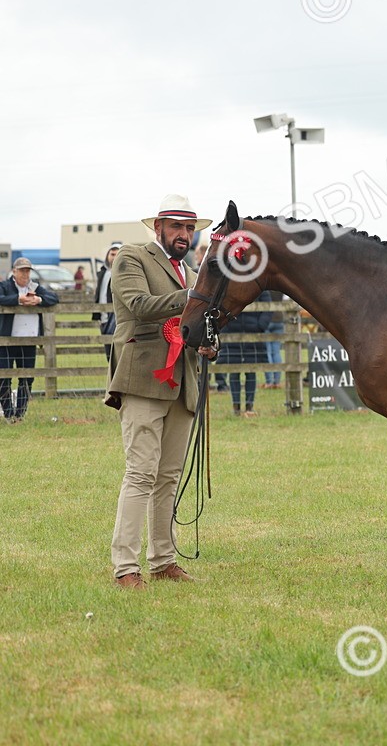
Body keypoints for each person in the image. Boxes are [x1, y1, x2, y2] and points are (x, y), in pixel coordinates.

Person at [107, 194, 215, 589]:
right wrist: (194, 297)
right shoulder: (132, 257)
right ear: (158, 228)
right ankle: (125, 566)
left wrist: (206, 343)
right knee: (140, 473)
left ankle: (163, 560)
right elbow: (138, 305)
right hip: (143, 379)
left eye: (189, 229)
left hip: (183, 383)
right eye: (177, 227)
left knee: (168, 476)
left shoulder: (190, 272)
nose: (184, 235)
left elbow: (192, 327)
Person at [0, 257, 59, 423]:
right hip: (6, 340)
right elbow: (1, 298)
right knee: (4, 376)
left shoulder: (35, 287)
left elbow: (54, 298)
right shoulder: (5, 286)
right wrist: (19, 299)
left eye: (28, 271)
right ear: (14, 271)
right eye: (22, 270)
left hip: (29, 339)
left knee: (27, 377)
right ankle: (9, 413)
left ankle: (20, 414)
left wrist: (38, 300)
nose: (25, 274)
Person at [216, 289, 271, 416]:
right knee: (234, 372)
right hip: (232, 333)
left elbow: (267, 305)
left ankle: (249, 406)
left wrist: (261, 325)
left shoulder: (258, 284)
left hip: (253, 334)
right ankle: (236, 407)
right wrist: (226, 324)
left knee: (251, 371)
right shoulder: (231, 282)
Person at [93, 242, 122, 361]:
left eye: (117, 254)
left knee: (117, 351)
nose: (114, 257)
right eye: (112, 254)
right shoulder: (103, 273)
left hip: (116, 316)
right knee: (108, 352)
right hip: (103, 316)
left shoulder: (123, 272)